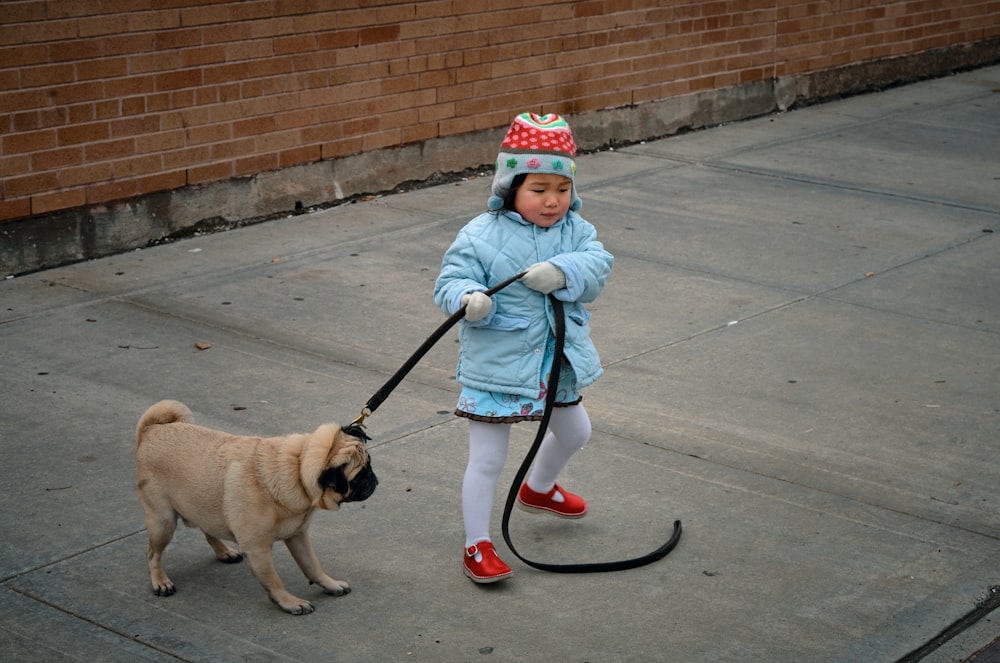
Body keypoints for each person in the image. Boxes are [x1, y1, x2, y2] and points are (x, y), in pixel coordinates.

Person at [434, 113, 614, 583]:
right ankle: (477, 545)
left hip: (557, 361)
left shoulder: (576, 231)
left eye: (562, 187)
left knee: (576, 432)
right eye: (539, 189)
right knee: (488, 459)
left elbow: (598, 266)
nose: (553, 201)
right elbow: (450, 281)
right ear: (511, 187)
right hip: (498, 365)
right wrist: (468, 301)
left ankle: (538, 488)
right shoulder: (480, 233)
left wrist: (564, 272)